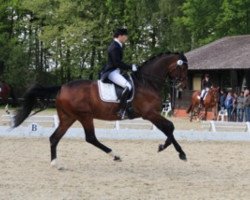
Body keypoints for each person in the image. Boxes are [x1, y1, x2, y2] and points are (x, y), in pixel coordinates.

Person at [102, 28, 137, 118]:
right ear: (120, 36)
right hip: (111, 72)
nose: (126, 38)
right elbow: (117, 63)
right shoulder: (114, 47)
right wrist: (130, 67)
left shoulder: (118, 45)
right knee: (128, 86)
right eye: (125, 36)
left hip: (116, 71)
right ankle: (121, 110)